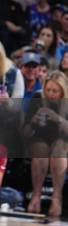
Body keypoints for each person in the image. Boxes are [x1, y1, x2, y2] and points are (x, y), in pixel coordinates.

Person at [23, 71, 67, 217]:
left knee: (58, 151)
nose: (50, 94)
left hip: (62, 138)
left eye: (55, 91)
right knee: (40, 151)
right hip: (40, 137)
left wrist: (58, 118)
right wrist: (33, 121)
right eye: (48, 90)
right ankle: (36, 196)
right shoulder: (37, 97)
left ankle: (57, 197)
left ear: (62, 91)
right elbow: (26, 132)